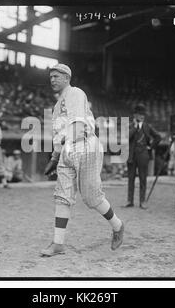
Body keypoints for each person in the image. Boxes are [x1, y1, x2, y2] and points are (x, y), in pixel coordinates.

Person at [41, 63, 124, 257]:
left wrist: (68, 150)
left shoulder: (75, 93)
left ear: (66, 78)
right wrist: (55, 156)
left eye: (56, 76)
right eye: (51, 76)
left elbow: (77, 124)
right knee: (62, 196)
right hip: (67, 150)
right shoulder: (55, 107)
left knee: (91, 197)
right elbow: (57, 135)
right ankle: (58, 243)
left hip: (85, 144)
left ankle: (118, 225)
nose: (52, 79)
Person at [125, 103, 161, 209]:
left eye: (143, 114)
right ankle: (129, 201)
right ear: (135, 115)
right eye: (140, 114)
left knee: (143, 179)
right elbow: (126, 137)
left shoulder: (147, 126)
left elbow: (158, 137)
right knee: (130, 179)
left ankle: (142, 201)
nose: (142, 116)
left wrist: (151, 147)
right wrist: (135, 127)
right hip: (131, 156)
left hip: (143, 155)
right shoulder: (130, 126)